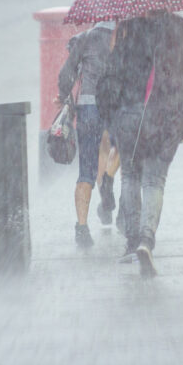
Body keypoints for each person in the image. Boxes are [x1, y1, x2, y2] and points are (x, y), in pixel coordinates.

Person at [97, 9, 183, 277]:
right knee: (154, 181)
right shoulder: (180, 30)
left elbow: (111, 76)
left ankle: (131, 241)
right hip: (165, 115)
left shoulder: (130, 29)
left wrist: (111, 114)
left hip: (129, 113)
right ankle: (146, 240)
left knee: (130, 177)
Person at [57, 21, 118, 248]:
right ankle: (109, 177)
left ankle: (82, 228)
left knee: (86, 171)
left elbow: (66, 75)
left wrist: (64, 95)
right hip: (116, 105)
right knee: (119, 148)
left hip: (88, 107)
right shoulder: (125, 37)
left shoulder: (84, 38)